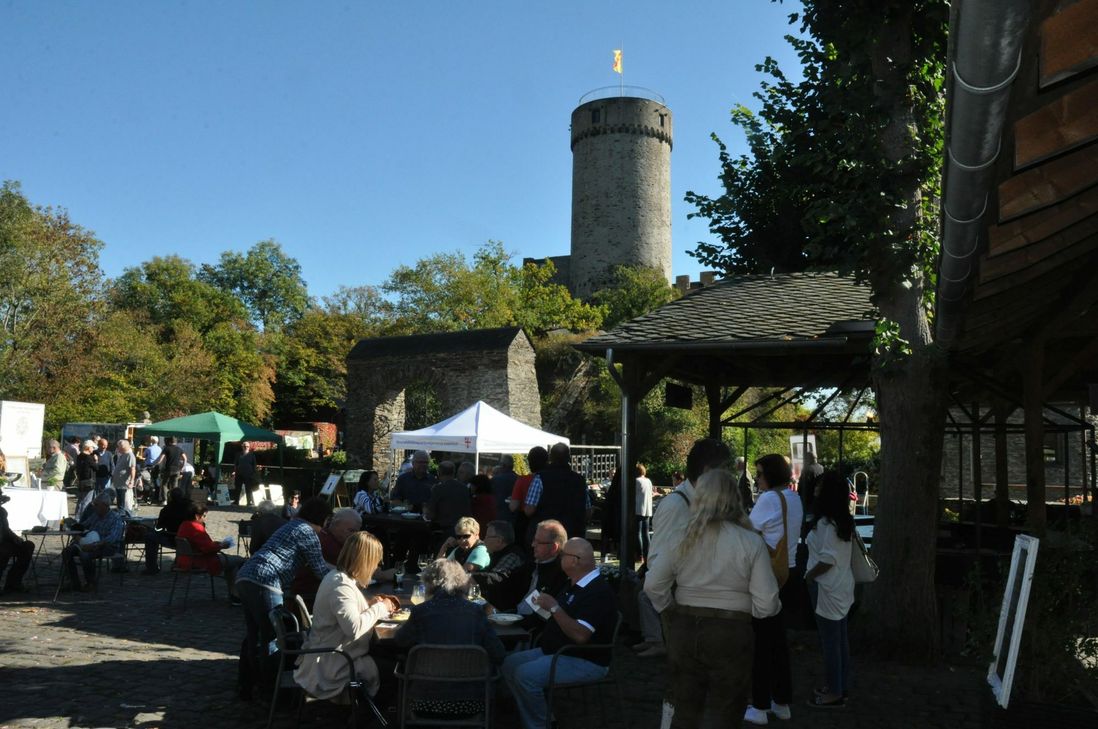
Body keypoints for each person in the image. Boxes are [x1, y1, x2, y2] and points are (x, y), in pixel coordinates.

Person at [644, 469, 780, 728]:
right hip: (731, 631)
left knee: (685, 707)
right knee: (726, 712)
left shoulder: (681, 537)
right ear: (735, 498)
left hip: (684, 627)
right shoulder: (750, 542)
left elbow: (652, 585)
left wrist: (670, 610)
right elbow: (767, 604)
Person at [502, 538, 618, 729]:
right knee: (508, 664)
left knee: (524, 675)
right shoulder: (573, 583)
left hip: (584, 659)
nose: (559, 558)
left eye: (563, 555)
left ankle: (540, 724)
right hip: (556, 651)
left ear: (575, 561)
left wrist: (554, 608)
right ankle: (543, 715)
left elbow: (580, 636)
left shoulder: (597, 591)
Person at [637, 439, 731, 668]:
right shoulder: (676, 506)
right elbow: (656, 573)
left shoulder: (708, 500)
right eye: (725, 469)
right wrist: (675, 617)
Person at [234, 497, 334, 699]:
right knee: (273, 639)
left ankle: (247, 685)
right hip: (265, 580)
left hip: (246, 576)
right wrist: (347, 577)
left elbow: (320, 565)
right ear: (323, 518)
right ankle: (270, 690)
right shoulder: (307, 532)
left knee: (255, 635)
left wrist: (340, 570)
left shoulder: (292, 526)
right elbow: (320, 570)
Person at [295, 532, 400, 703]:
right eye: (375, 561)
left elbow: (347, 613)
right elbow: (353, 628)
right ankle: (371, 714)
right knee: (399, 669)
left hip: (336, 654)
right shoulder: (340, 585)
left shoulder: (340, 578)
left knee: (388, 655)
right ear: (365, 560)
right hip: (334, 663)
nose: (377, 566)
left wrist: (370, 606)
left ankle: (370, 709)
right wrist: (380, 608)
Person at [745, 453, 805, 725]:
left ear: (769, 474)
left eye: (759, 473)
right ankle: (781, 701)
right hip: (790, 571)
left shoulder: (769, 499)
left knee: (762, 643)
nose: (756, 479)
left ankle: (759, 705)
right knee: (778, 643)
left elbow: (748, 529)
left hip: (768, 574)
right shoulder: (794, 497)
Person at [804, 471, 855, 709]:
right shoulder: (843, 520)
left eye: (820, 486)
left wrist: (809, 576)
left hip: (827, 588)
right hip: (842, 585)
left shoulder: (826, 523)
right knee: (840, 641)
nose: (815, 488)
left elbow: (827, 559)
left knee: (831, 643)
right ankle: (840, 685)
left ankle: (835, 692)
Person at [291, 507, 365, 608]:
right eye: (351, 530)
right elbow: (351, 573)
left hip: (322, 595)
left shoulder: (332, 538)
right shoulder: (326, 543)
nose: (354, 536)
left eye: (356, 532)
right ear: (335, 524)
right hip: (312, 599)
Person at [523, 443, 590, 548]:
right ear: (569, 458)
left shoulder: (540, 478)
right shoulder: (580, 480)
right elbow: (587, 511)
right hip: (572, 535)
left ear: (550, 457)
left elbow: (529, 510)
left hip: (546, 537)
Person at [176, 501, 246, 602]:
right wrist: (221, 545)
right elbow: (207, 548)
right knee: (240, 560)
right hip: (199, 560)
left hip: (186, 559)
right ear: (197, 516)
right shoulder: (195, 527)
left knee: (232, 564)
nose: (205, 518)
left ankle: (235, 594)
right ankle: (236, 593)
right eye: (204, 516)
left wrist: (217, 544)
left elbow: (202, 544)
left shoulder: (184, 525)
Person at [62, 492, 125, 592]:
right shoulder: (95, 515)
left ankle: (90, 583)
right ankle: (74, 582)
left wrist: (95, 545)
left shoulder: (115, 518)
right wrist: (73, 527)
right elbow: (83, 526)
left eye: (97, 505)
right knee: (67, 551)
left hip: (107, 546)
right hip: (90, 541)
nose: (94, 507)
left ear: (104, 505)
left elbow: (113, 538)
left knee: (85, 555)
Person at [516, 520, 569, 627]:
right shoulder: (532, 563)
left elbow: (544, 617)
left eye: (538, 542)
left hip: (530, 631)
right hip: (515, 618)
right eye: (534, 540)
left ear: (554, 547)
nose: (532, 544)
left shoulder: (561, 575)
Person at [472, 520, 533, 612]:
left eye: (488, 536)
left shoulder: (513, 556)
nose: (484, 540)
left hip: (507, 614)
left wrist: (470, 576)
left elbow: (495, 578)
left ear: (499, 540)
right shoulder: (497, 554)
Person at [141, 487, 192, 575]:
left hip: (172, 538)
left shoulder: (166, 509)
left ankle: (151, 567)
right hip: (189, 538)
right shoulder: (191, 508)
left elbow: (159, 527)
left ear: (171, 497)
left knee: (150, 537)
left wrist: (153, 529)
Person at [510, 446, 546, 556]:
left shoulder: (523, 480)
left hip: (525, 522)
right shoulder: (550, 479)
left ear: (529, 462)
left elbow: (513, 506)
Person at [0, 486, 34, 595]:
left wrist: (15, 538)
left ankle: (14, 581)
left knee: (28, 546)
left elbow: (6, 529)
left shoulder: (2, 512)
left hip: (4, 541)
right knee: (3, 553)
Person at [426, 461, 473, 536]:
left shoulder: (438, 488)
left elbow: (430, 515)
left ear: (439, 472)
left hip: (444, 530)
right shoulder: (464, 488)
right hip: (464, 528)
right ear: (454, 472)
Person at [490, 455, 517, 524]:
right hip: (515, 517)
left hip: (498, 515)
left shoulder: (495, 480)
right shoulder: (519, 479)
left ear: (503, 465)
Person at [111, 439, 137, 513]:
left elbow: (133, 469)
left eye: (119, 447)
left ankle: (124, 517)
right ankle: (121, 515)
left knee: (124, 504)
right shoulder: (122, 454)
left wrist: (132, 481)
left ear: (123, 448)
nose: (117, 449)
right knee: (119, 503)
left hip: (124, 484)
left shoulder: (130, 455)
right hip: (119, 483)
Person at [635, 463, 654, 564]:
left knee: (638, 533)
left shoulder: (636, 481)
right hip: (648, 509)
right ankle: (648, 555)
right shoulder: (648, 481)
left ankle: (640, 555)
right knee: (646, 533)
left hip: (638, 509)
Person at [74, 440, 99, 516]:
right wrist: (96, 460)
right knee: (86, 501)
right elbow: (96, 468)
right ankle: (82, 519)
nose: (93, 449)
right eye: (92, 447)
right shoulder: (89, 458)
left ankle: (77, 517)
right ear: (88, 448)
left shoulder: (79, 456)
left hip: (81, 480)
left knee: (80, 500)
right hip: (88, 481)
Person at [798, 451, 824, 518]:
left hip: (808, 499)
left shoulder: (807, 469)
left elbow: (803, 485)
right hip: (819, 498)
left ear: (808, 458)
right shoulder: (821, 468)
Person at [232, 442, 259, 506]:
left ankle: (249, 502)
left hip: (248, 474)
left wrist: (253, 473)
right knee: (237, 488)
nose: (246, 447)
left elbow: (254, 465)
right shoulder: (238, 454)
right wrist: (234, 471)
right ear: (242, 447)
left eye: (247, 446)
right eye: (244, 446)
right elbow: (235, 464)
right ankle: (236, 501)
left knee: (248, 489)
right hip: (239, 474)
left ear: (249, 447)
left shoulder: (252, 455)